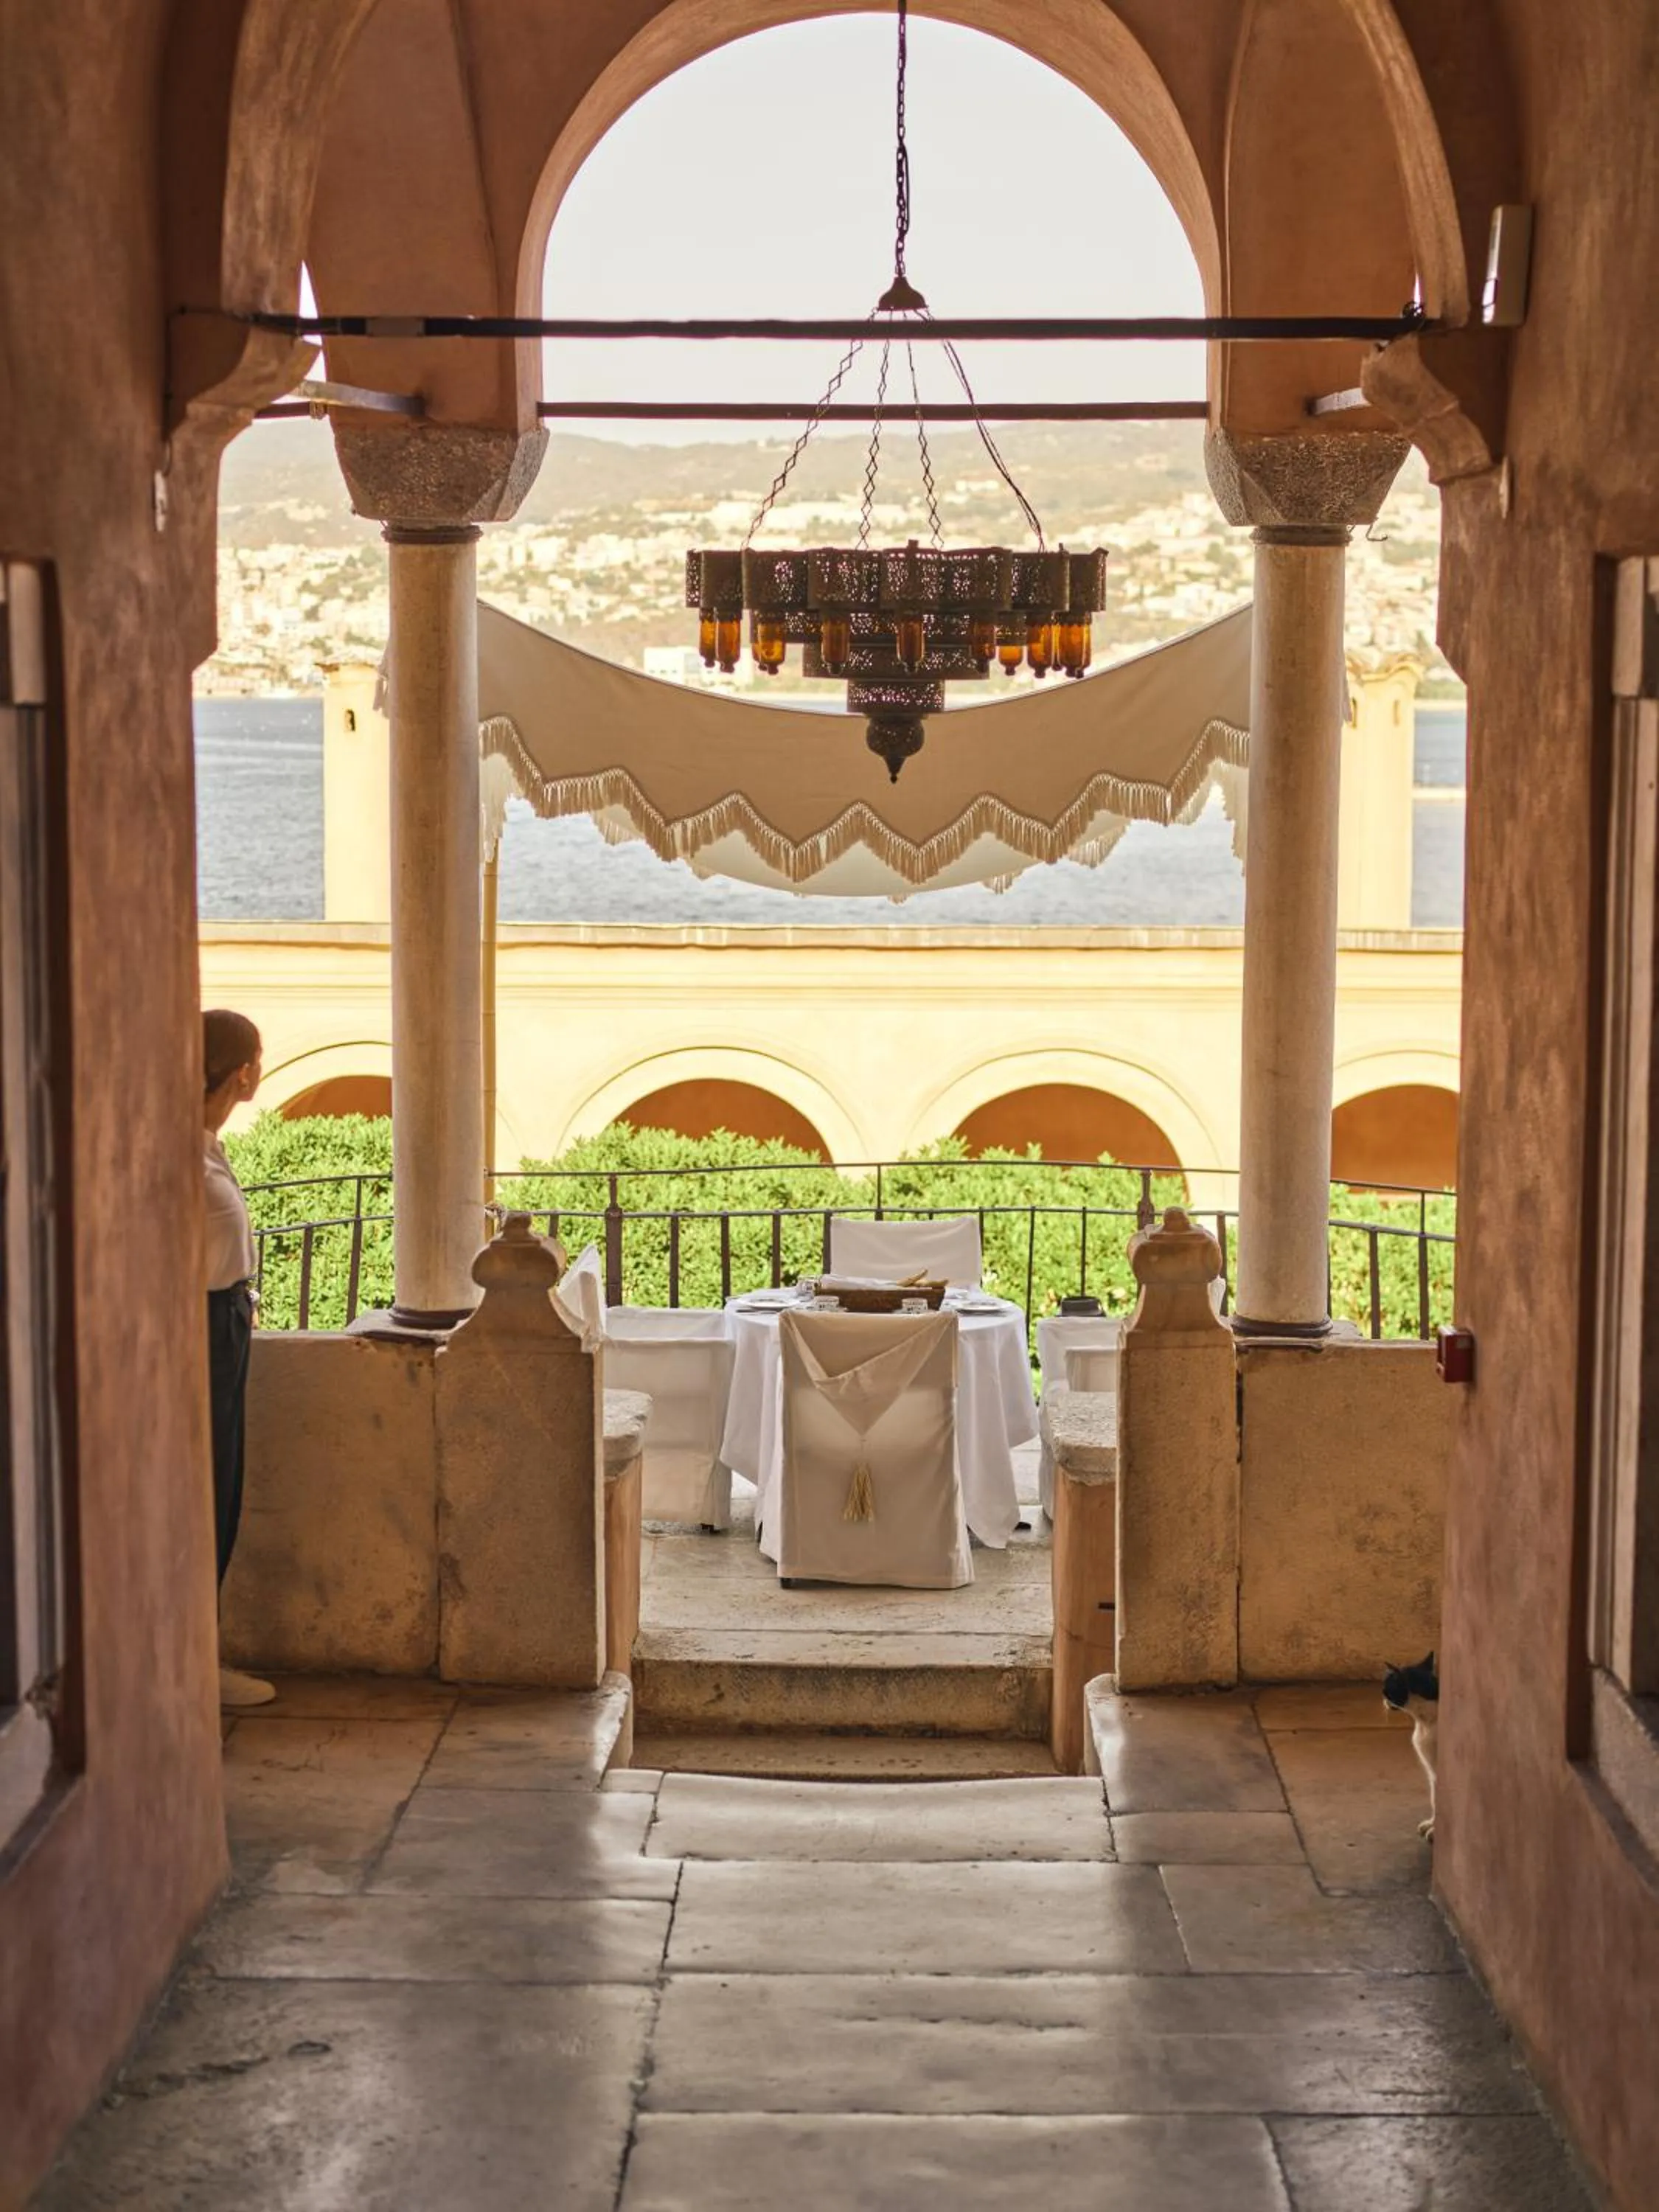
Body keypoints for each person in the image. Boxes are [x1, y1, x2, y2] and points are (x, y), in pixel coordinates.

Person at [203, 1009, 275, 1710]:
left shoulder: (206, 1145)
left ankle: (201, 1651)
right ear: (242, 1071)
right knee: (206, 1487)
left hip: (223, 1322)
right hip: (198, 1331)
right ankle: (195, 1660)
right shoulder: (180, 1154)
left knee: (223, 1484)